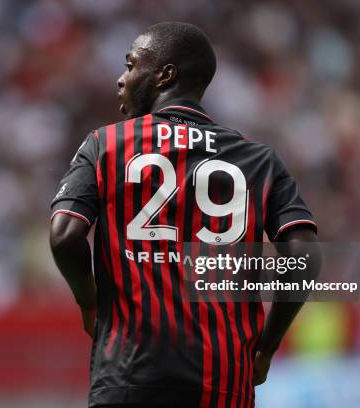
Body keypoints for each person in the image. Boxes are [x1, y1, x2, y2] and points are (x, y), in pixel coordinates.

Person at [49, 21, 320, 408]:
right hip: (223, 379)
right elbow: (304, 254)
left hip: (128, 375)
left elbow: (64, 235)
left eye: (130, 65)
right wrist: (267, 347)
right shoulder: (258, 159)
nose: (121, 80)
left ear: (165, 75)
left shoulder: (105, 144)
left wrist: (89, 301)